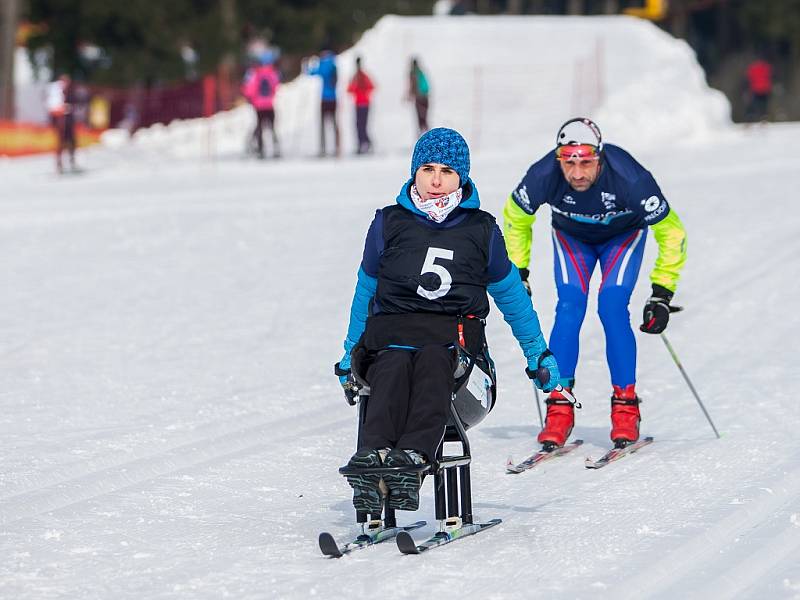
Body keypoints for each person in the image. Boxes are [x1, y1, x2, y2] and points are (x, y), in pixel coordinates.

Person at [335, 127, 560, 513]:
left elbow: (512, 298)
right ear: (414, 173)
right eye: (427, 169)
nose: (436, 181)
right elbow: (365, 291)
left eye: (447, 171)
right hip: (394, 338)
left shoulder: (481, 230)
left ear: (463, 178)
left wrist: (537, 353)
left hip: (456, 350)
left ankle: (412, 459)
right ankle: (372, 464)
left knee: (433, 362)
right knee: (389, 365)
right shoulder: (388, 223)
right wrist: (347, 354)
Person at [502, 117, 687, 450]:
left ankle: (625, 406)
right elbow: (516, 217)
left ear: (599, 157)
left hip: (622, 237)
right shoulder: (543, 174)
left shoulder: (629, 177)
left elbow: (672, 232)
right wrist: (520, 272)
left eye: (586, 162)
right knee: (569, 307)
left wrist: (661, 292)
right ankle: (559, 406)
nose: (576, 174)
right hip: (572, 238)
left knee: (612, 307)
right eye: (567, 163)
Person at [241, 52, 281, 159]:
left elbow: (249, 88)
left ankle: (260, 149)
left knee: (260, 126)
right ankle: (276, 148)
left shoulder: (254, 73)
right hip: (269, 104)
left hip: (258, 105)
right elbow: (276, 85)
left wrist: (249, 98)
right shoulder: (272, 72)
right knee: (272, 127)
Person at [304, 49, 340, 157]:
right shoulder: (334, 65)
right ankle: (337, 147)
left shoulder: (323, 65)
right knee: (334, 123)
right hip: (334, 98)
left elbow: (311, 72)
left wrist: (306, 64)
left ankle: (323, 148)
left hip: (324, 98)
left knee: (323, 124)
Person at [45, 74, 76, 174]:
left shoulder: (70, 93)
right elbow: (52, 108)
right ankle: (59, 164)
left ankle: (71, 161)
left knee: (71, 141)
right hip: (61, 122)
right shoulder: (56, 93)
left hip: (68, 122)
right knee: (61, 143)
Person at [346, 56, 375, 154]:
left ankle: (365, 143)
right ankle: (363, 143)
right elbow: (349, 89)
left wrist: (362, 91)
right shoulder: (358, 76)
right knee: (360, 125)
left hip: (363, 104)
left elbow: (371, 87)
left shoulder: (361, 76)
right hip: (360, 104)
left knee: (361, 125)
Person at [744, 57, 772, 123]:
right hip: (764, 89)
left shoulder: (753, 68)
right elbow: (769, 76)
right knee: (763, 105)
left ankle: (750, 118)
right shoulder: (766, 67)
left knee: (753, 104)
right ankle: (764, 118)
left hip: (755, 90)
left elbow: (749, 78)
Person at [407, 58, 430, 135]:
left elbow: (412, 86)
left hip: (419, 98)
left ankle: (423, 136)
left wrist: (409, 95)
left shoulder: (412, 73)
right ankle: (427, 134)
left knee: (420, 117)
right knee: (425, 117)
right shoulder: (421, 72)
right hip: (425, 97)